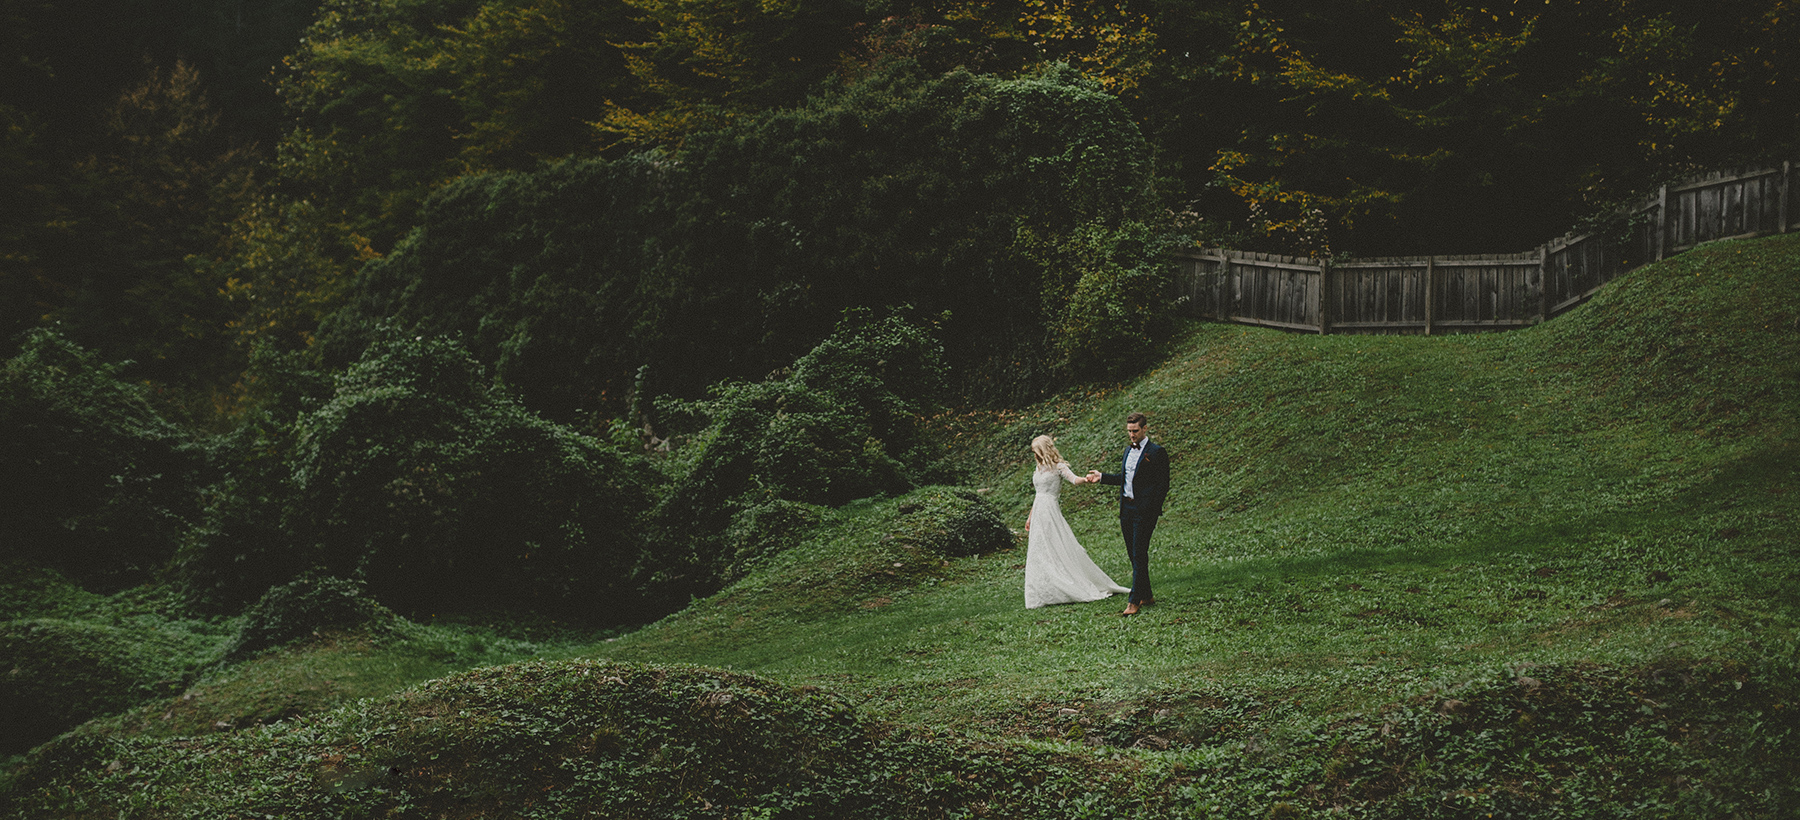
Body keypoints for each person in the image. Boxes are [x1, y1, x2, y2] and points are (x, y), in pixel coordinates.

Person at [1023, 435, 1129, 609]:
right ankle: (1041, 590)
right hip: (1039, 512)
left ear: (1044, 450)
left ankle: (1066, 582)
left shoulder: (1058, 467)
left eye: (1037, 451)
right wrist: (1030, 516)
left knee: (1056, 545)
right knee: (1039, 548)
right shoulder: (1038, 467)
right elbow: (1038, 494)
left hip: (1050, 510)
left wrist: (1085, 479)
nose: (1035, 455)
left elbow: (1073, 479)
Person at [1087, 412, 1169, 616]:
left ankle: (1134, 601)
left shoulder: (1157, 452)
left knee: (1139, 553)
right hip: (1127, 510)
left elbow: (1163, 485)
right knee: (1134, 555)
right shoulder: (1127, 451)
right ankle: (1147, 594)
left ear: (1144, 429)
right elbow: (1124, 479)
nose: (1131, 435)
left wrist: (1152, 508)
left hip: (1144, 512)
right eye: (1129, 431)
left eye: (1135, 431)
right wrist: (1102, 477)